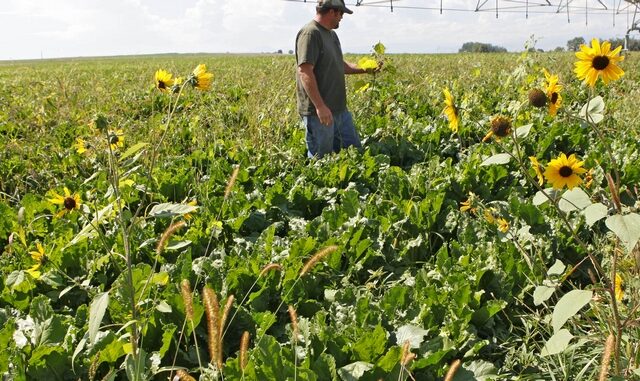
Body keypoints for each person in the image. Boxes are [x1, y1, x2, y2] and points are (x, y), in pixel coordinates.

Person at [295, 0, 377, 158]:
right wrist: (320, 106)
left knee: (354, 153)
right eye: (341, 13)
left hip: (340, 110)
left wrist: (366, 69)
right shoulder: (310, 33)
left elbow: (341, 65)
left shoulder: (332, 35)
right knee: (321, 160)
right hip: (319, 113)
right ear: (332, 12)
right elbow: (305, 71)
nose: (342, 18)